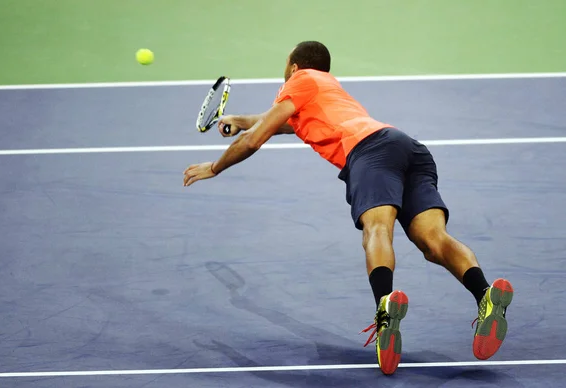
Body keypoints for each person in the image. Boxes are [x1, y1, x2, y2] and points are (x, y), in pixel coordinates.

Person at [183, 41, 513, 375]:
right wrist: (242, 119)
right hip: (409, 149)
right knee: (433, 239)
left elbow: (255, 140)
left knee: (377, 229)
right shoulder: (326, 87)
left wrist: (215, 166)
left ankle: (385, 312)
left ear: (293, 66)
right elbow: (288, 122)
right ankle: (485, 295)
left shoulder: (299, 80)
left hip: (369, 154)